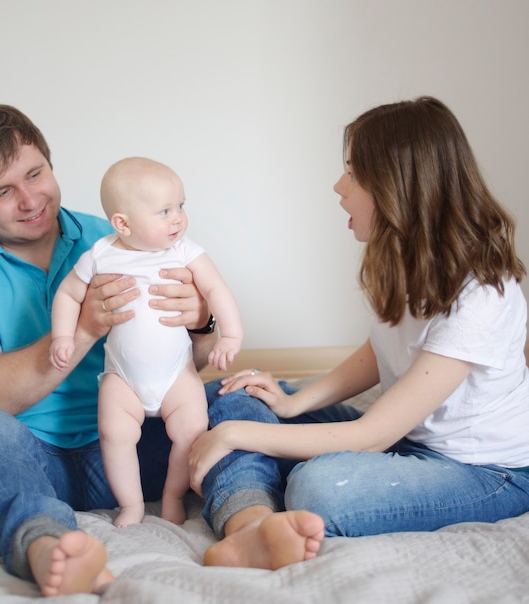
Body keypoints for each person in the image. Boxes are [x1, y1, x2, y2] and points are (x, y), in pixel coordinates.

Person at [189, 96, 529, 571]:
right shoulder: (411, 261)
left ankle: (249, 493)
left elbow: (372, 434)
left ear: (397, 185)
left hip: (484, 472)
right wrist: (294, 401)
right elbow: (381, 352)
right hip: (406, 439)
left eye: (352, 172)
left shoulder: (483, 294)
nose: (338, 186)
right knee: (234, 393)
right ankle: (249, 524)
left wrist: (234, 436)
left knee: (319, 485)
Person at [0, 104, 218, 597]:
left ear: (51, 165)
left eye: (35, 174)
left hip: (127, 444)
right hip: (27, 458)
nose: (30, 199)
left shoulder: (116, 237)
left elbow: (182, 366)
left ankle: (248, 522)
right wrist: (82, 329)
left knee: (238, 400)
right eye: (3, 191)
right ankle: (48, 548)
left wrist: (201, 323)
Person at [50, 156, 243, 527]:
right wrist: (63, 335)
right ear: (123, 223)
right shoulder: (101, 254)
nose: (178, 219)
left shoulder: (184, 251)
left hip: (177, 375)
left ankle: (172, 495)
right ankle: (132, 505)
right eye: (165, 211)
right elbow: (68, 295)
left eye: (181, 207)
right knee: (114, 432)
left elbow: (216, 288)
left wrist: (230, 334)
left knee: (192, 428)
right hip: (122, 378)